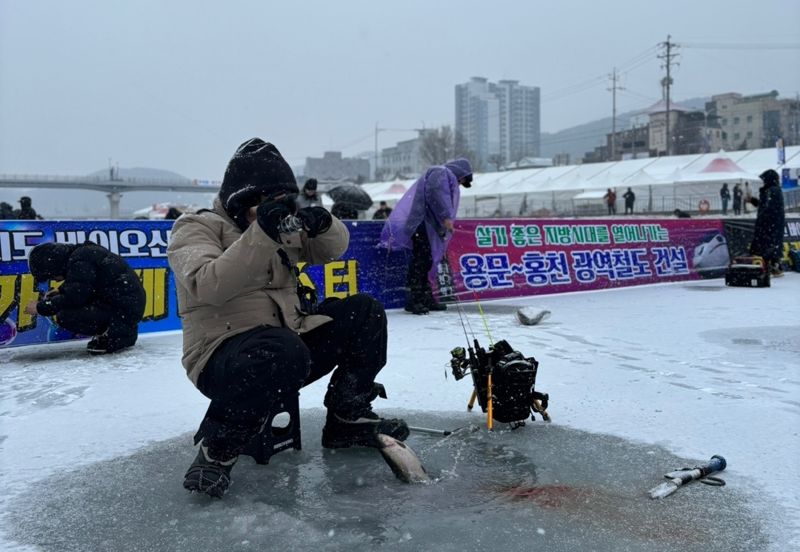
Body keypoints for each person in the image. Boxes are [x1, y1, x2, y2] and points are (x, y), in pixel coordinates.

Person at [167, 138, 408, 498]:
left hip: (288, 345)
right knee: (280, 348)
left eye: (280, 200)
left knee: (364, 311)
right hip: (221, 358)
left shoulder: (278, 227)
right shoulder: (196, 228)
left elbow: (329, 250)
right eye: (263, 202)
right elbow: (208, 285)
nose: (271, 209)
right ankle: (217, 448)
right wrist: (260, 235)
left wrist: (324, 223)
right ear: (240, 198)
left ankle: (347, 415)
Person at [379, 158, 473, 315]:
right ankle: (414, 298)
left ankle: (424, 297)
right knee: (421, 261)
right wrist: (446, 217)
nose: (459, 184)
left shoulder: (443, 175)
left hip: (426, 225)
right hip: (421, 224)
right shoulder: (441, 173)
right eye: (461, 180)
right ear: (460, 173)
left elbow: (437, 198)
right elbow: (436, 194)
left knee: (426, 260)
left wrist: (443, 225)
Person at [23, 241, 146, 355]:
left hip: (122, 309)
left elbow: (75, 297)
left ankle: (115, 334)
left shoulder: (80, 260)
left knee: (66, 316)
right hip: (125, 305)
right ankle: (120, 331)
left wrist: (40, 307)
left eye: (52, 276)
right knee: (70, 308)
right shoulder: (82, 255)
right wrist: (61, 290)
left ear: (54, 266)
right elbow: (84, 283)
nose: (55, 280)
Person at [747, 169, 786, 275]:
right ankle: (774, 266)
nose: (763, 182)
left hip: (770, 224)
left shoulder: (772, 190)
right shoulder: (772, 190)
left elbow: (768, 207)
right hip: (773, 224)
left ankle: (772, 267)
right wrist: (754, 201)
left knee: (768, 245)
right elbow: (764, 205)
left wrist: (762, 220)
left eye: (764, 180)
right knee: (771, 245)